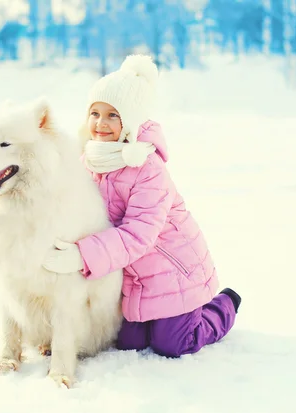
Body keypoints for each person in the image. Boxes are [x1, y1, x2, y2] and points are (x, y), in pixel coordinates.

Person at [42, 54, 241, 358]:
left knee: (172, 344)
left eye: (112, 115)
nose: (100, 123)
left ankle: (222, 305)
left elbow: (139, 234)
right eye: (94, 113)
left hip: (173, 270)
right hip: (132, 276)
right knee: (127, 342)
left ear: (131, 120)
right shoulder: (90, 160)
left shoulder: (148, 168)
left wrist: (81, 255)